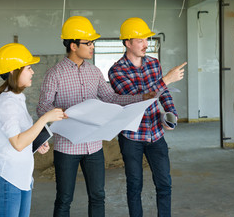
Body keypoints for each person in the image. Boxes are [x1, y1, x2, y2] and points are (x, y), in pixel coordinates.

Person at [36, 16, 156, 217]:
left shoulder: (94, 72)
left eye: (93, 42)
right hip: (67, 145)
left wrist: (141, 98)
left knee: (98, 195)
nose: (92, 46)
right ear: (73, 45)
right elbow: (42, 106)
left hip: (94, 145)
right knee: (64, 198)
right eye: (88, 43)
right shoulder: (54, 74)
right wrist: (58, 113)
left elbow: (110, 97)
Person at [108, 17, 187, 217]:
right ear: (127, 43)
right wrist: (166, 79)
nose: (146, 44)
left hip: (156, 134)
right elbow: (137, 99)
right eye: (140, 40)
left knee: (164, 184)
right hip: (131, 136)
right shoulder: (116, 71)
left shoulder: (153, 63)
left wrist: (171, 115)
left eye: (147, 39)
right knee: (134, 185)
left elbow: (164, 93)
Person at [0, 43, 66, 217]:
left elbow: (22, 138)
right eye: (29, 68)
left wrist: (37, 144)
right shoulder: (6, 103)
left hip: (22, 177)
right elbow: (17, 143)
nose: (32, 72)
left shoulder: (17, 99)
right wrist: (45, 118)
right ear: (14, 72)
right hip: (8, 178)